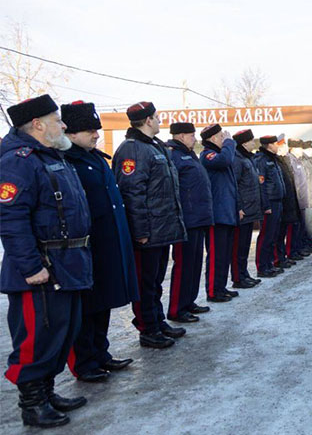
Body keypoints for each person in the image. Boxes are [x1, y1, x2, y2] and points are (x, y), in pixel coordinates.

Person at [1, 95, 92, 428]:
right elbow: (11, 220)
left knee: (61, 333)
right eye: (57, 119)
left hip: (68, 262)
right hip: (42, 267)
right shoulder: (18, 160)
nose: (64, 124)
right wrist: (31, 267)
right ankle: (33, 403)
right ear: (37, 124)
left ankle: (47, 391)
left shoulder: (51, 155)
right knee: (36, 337)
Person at [62, 101, 138, 383]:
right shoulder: (67, 161)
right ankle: (84, 361)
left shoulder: (93, 157)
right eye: (90, 129)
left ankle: (100, 353)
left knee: (103, 300)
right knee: (84, 306)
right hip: (83, 245)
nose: (96, 134)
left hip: (107, 241)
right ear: (70, 133)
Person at [113, 101, 186, 348]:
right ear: (147, 120)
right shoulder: (132, 149)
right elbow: (132, 193)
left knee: (155, 281)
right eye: (156, 117)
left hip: (162, 228)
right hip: (148, 231)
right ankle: (148, 329)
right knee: (145, 282)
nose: (159, 120)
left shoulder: (155, 146)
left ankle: (158, 320)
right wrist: (141, 231)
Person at [165, 122, 213, 320]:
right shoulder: (174, 155)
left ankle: (189, 301)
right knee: (183, 265)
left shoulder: (189, 154)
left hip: (198, 218)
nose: (195, 138)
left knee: (194, 264)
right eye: (192, 135)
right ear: (180, 136)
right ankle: (176, 309)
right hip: (186, 219)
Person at [199, 124, 240, 302]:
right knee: (216, 255)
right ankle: (213, 291)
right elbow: (225, 160)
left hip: (227, 212)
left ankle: (221, 287)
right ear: (213, 138)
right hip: (217, 214)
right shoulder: (208, 154)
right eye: (221, 135)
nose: (224, 137)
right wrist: (229, 143)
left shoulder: (221, 153)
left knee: (224, 254)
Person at [231, 129, 263, 289]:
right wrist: (239, 207)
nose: (253, 143)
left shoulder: (247, 158)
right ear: (244, 143)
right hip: (244, 210)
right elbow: (234, 185)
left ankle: (244, 274)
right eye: (251, 141)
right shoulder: (237, 159)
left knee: (244, 246)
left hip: (251, 209)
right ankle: (238, 277)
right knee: (239, 246)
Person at [253, 135, 286, 277]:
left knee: (273, 235)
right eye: (275, 144)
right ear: (269, 145)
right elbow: (262, 185)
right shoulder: (261, 160)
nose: (277, 146)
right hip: (270, 203)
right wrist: (265, 205)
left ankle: (270, 263)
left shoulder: (272, 159)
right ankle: (262, 267)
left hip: (277, 201)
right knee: (266, 236)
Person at [275, 135, 301, 265]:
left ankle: (283, 256)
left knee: (284, 231)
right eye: (284, 145)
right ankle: (278, 258)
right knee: (278, 234)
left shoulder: (284, 161)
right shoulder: (278, 161)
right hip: (282, 202)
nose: (286, 148)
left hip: (288, 201)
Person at [287, 139, 312, 258]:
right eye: (299, 148)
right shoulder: (291, 160)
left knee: (301, 226)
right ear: (293, 148)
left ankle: (299, 248)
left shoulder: (298, 160)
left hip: (303, 199)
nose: (302, 151)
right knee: (296, 227)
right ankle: (294, 250)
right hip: (297, 200)